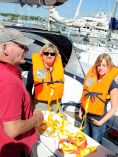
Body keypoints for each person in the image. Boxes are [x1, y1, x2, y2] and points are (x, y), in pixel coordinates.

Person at [0, 28, 44, 157]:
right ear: (5, 48)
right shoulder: (9, 81)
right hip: (13, 151)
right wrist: (37, 119)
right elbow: (13, 129)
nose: (27, 50)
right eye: (22, 46)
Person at [79, 53, 118, 143]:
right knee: (83, 142)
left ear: (109, 67)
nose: (101, 68)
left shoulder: (112, 84)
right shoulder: (92, 78)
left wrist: (100, 123)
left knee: (94, 145)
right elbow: (86, 94)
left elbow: (114, 109)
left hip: (98, 120)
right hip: (86, 116)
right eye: (99, 65)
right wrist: (82, 108)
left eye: (104, 65)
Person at [26, 43, 64, 113]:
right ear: (42, 55)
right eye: (46, 53)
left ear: (56, 56)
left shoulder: (59, 69)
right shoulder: (34, 69)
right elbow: (28, 88)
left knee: (63, 122)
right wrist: (30, 103)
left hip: (56, 103)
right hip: (40, 103)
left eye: (52, 54)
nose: (49, 56)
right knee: (43, 123)